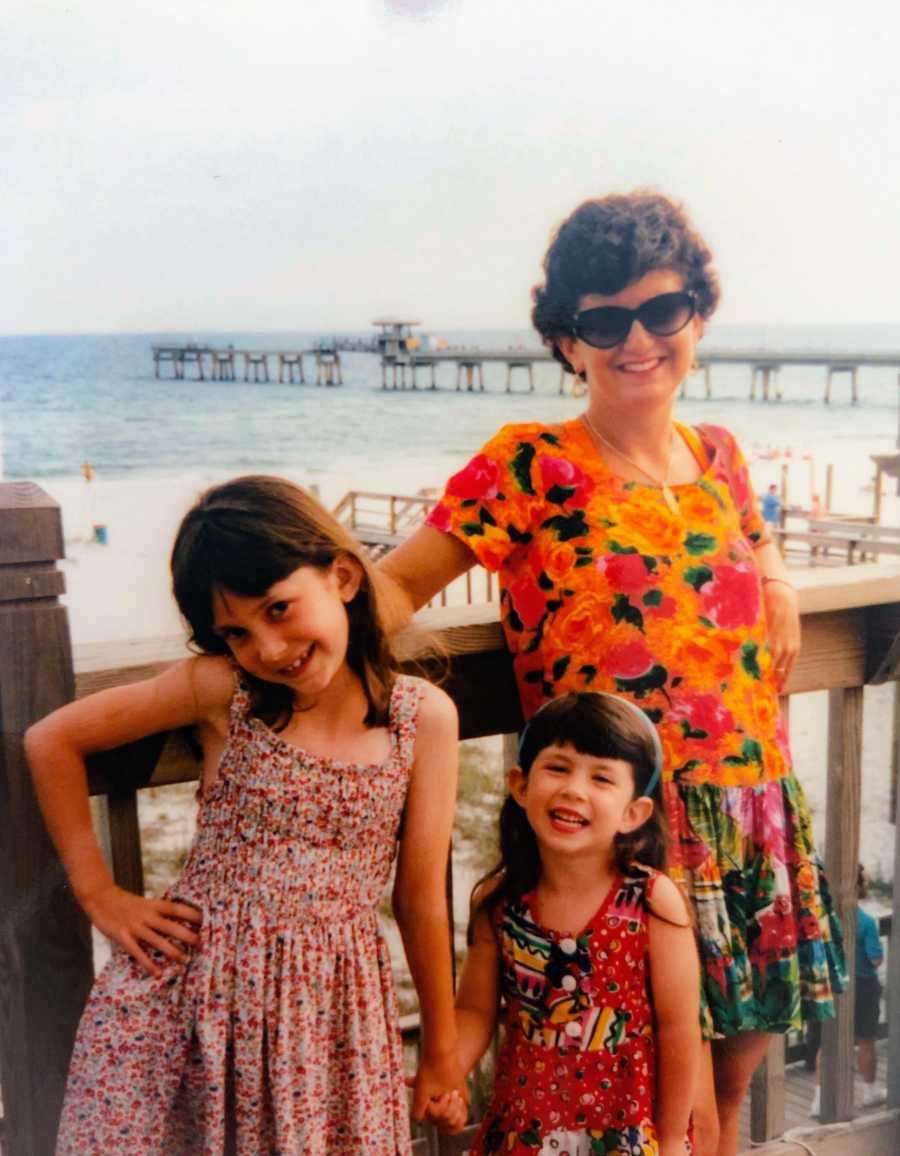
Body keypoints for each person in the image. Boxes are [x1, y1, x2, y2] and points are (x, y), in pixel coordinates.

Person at [379, 191, 845, 1156]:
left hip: (749, 806)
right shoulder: (530, 464)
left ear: (698, 316)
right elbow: (392, 592)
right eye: (604, 319)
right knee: (640, 1095)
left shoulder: (718, 452)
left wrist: (781, 577)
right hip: (618, 829)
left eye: (662, 310)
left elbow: (755, 540)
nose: (638, 338)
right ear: (568, 340)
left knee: (725, 1075)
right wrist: (268, 656)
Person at [25, 475, 463, 1155]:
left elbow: (421, 900)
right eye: (235, 631)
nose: (266, 647)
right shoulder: (224, 691)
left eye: (279, 609)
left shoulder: (422, 720)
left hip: (330, 1019)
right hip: (196, 1006)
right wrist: (99, 893)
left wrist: (441, 1047)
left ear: (343, 577)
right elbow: (52, 740)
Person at [424, 692, 700, 1155]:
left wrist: (672, 1140)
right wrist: (448, 1077)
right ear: (520, 785)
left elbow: (679, 1029)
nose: (574, 788)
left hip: (625, 1135)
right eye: (558, 767)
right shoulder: (501, 905)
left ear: (634, 814)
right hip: (523, 1133)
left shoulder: (652, 901)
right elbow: (474, 1011)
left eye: (601, 777)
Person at [809, 864, 884, 1117]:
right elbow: (875, 960)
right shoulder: (866, 922)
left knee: (825, 1041)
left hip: (832, 983)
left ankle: (818, 1099)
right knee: (866, 1040)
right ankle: (871, 1090)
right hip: (862, 985)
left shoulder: (826, 920)